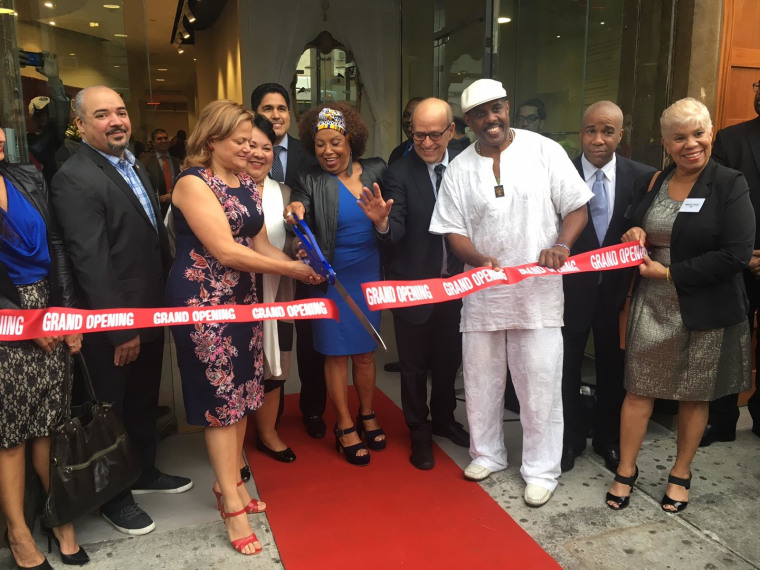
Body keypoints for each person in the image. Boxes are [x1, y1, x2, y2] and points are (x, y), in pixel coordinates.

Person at [166, 100, 320, 555]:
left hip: (244, 302)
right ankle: (231, 502)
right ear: (212, 141)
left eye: (253, 142)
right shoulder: (193, 183)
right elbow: (225, 251)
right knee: (221, 403)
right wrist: (292, 273)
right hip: (204, 304)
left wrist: (296, 265)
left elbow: (260, 245)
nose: (250, 149)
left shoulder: (247, 184)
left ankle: (229, 483)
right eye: (240, 142)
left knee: (243, 393)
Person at [429, 78, 592, 507]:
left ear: (508, 106)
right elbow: (452, 230)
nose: (491, 119)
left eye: (496, 109)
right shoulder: (459, 167)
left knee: (539, 384)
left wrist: (562, 245)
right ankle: (487, 453)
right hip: (483, 294)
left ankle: (541, 469)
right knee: (481, 382)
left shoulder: (544, 150)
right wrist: (480, 259)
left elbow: (577, 205)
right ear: (468, 122)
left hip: (538, 293)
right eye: (480, 114)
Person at [50, 86, 192, 536]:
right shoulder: (74, 176)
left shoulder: (133, 164)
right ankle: (114, 495)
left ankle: (144, 471)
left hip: (151, 312)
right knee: (111, 407)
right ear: (81, 124)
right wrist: (119, 327)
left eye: (122, 112)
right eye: (102, 114)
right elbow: (89, 260)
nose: (116, 121)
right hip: (117, 322)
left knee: (144, 400)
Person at [606, 98, 753, 513]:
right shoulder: (654, 182)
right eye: (679, 137)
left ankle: (680, 474)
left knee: (695, 395)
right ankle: (627, 470)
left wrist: (671, 275)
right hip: (652, 305)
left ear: (710, 132)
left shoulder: (729, 182)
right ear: (666, 143)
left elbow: (737, 254)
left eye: (698, 133)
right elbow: (633, 223)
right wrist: (633, 230)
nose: (691, 144)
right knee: (638, 391)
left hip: (704, 306)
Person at [357, 98, 468, 470]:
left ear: (452, 131)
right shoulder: (400, 173)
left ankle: (445, 420)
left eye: (435, 135)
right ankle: (419, 434)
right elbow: (396, 230)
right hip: (414, 287)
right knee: (414, 367)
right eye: (418, 135)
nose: (426, 143)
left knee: (448, 359)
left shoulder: (469, 165)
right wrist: (382, 223)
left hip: (458, 285)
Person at [0, 128, 88, 569]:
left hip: (47, 307)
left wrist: (66, 313)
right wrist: (25, 322)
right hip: (7, 321)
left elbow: (56, 246)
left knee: (48, 423)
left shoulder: (25, 178)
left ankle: (57, 517)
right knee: (11, 433)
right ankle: (18, 531)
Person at [285, 103, 387, 466]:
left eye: (335, 142)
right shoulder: (309, 178)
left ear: (351, 140)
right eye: (319, 144)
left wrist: (383, 223)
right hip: (331, 278)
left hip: (368, 274)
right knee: (336, 353)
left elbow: (391, 216)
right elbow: (300, 207)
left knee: (365, 351)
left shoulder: (376, 168)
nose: (328, 151)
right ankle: (344, 423)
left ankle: (368, 412)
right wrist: (295, 215)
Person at [561, 101, 656, 473]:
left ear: (621, 134)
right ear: (580, 132)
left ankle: (607, 438)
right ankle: (568, 440)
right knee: (566, 367)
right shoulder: (559, 173)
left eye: (607, 131)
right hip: (569, 292)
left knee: (613, 367)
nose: (598, 140)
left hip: (618, 292)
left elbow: (655, 228)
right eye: (590, 131)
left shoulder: (644, 177)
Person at [251, 82, 325, 439]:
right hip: (253, 275)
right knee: (256, 351)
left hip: (299, 268)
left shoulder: (308, 154)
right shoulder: (241, 159)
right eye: (268, 109)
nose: (276, 115)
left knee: (305, 345)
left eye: (282, 108)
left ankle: (311, 412)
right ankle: (259, 422)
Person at [700, 78, 760, 446]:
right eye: (758, 85)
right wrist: (745, 252)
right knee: (730, 343)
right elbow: (713, 199)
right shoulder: (730, 139)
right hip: (736, 261)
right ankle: (721, 420)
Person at [244, 113, 298, 463]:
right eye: (250, 145)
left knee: (276, 367)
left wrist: (301, 250)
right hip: (235, 293)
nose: (259, 153)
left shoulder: (286, 192)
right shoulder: (215, 187)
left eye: (267, 147)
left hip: (279, 291)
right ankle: (231, 448)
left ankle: (267, 432)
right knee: (236, 368)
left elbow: (291, 244)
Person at [142, 129, 182, 218]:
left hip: (177, 207)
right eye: (159, 139)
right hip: (157, 210)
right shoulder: (145, 163)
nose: (163, 141)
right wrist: (160, 198)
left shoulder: (179, 162)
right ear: (153, 142)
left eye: (165, 138)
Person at [388, 97, 424, 164]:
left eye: (415, 116)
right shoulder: (397, 153)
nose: (409, 120)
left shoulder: (434, 151)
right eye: (406, 115)